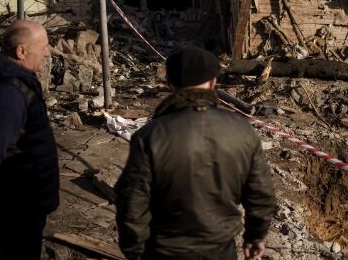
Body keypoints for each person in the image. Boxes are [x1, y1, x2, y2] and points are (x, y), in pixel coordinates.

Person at [116, 45, 276, 260]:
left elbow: (132, 203)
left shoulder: (149, 136)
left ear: (170, 84)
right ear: (213, 83)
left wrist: (136, 252)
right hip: (220, 251)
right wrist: (255, 236)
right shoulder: (242, 130)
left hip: (164, 251)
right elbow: (261, 194)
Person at [0, 19, 59, 259]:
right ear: (21, 51)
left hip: (25, 198)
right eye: (44, 47)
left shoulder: (17, 83)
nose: (48, 53)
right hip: (17, 206)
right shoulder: (7, 93)